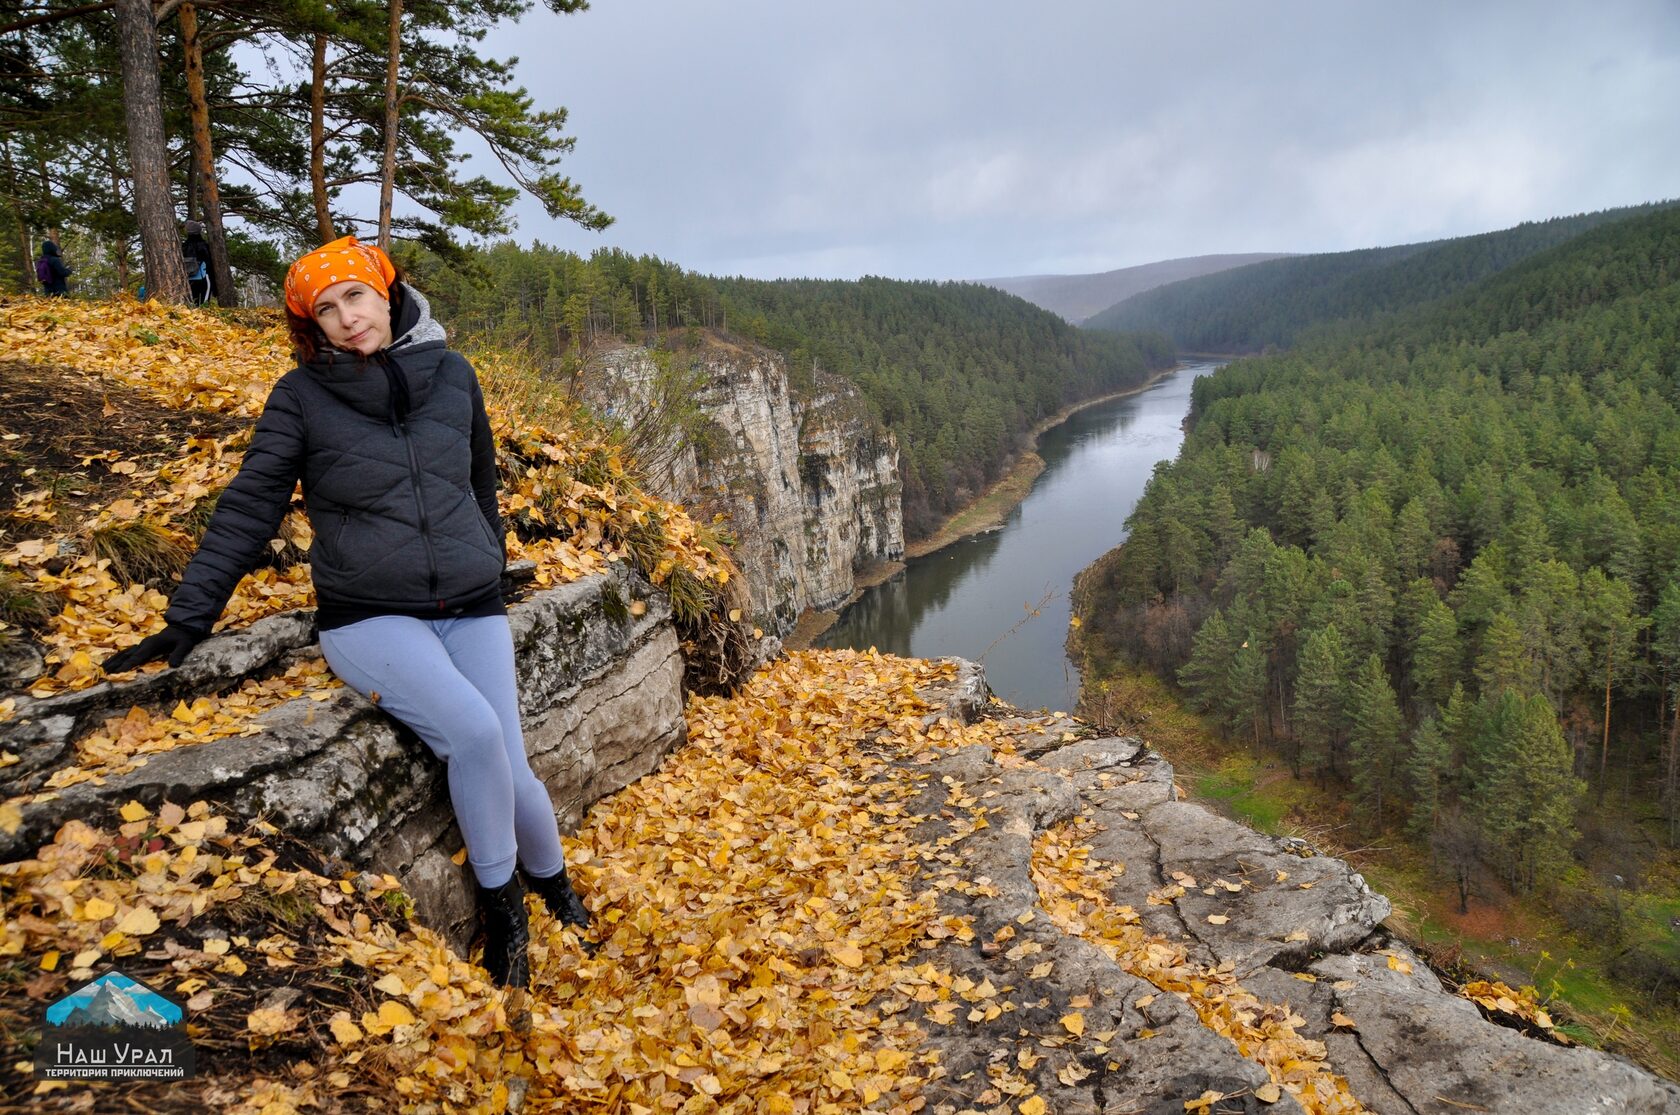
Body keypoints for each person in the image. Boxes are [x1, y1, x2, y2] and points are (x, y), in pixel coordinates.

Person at [101, 235, 590, 990]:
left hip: (471, 603)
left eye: (355, 296)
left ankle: (555, 887)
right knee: (476, 732)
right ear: (312, 325)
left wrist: (487, 557)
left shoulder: (455, 374)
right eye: (325, 309)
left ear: (386, 292)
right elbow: (251, 503)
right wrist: (189, 615)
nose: (346, 318)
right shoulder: (302, 396)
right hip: (369, 617)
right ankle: (505, 916)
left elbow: (480, 484)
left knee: (514, 768)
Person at [182, 220, 213, 306]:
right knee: (204, 305)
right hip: (203, 278)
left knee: (191, 305)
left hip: (188, 279)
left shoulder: (183, 246)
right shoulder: (204, 245)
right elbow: (209, 264)